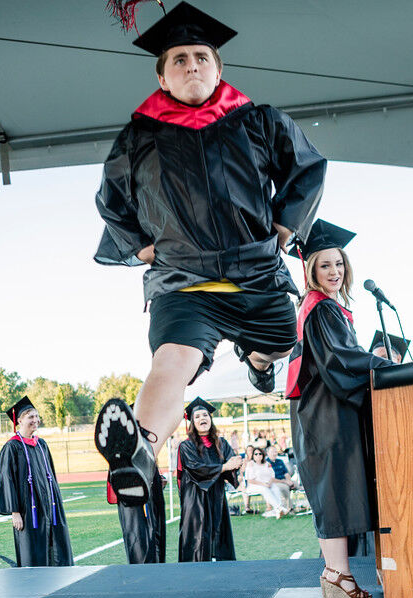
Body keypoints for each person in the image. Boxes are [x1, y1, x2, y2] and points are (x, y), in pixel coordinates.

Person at [93, 1, 326, 562]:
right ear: (162, 73)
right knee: (171, 361)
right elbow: (112, 203)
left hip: (255, 272)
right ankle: (139, 453)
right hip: (184, 280)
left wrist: (284, 226)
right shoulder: (137, 136)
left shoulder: (259, 120)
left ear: (218, 67)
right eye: (179, 59)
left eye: (201, 56)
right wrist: (142, 247)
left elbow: (307, 169)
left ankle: (259, 363)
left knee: (280, 345)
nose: (191, 65)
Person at [286, 221, 392, 598]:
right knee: (331, 493)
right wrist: (380, 366)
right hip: (324, 417)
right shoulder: (320, 308)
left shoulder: (324, 309)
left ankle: (337, 573)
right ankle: (337, 574)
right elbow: (339, 361)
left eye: (339, 264)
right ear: (312, 269)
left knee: (332, 491)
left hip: (323, 415)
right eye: (325, 265)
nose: (334, 272)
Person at [0, 397, 73, 567]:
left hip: (48, 504)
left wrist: (56, 503)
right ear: (19, 420)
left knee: (56, 545)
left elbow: (51, 475)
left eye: (37, 416)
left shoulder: (41, 444)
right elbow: (7, 480)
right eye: (30, 417)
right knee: (32, 547)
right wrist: (14, 512)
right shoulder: (11, 447)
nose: (35, 420)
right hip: (27, 507)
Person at [176, 397, 241, 561]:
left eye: (205, 415)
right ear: (192, 422)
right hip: (195, 498)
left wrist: (237, 464)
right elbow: (196, 469)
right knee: (197, 539)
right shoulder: (186, 446)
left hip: (217, 495)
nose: (202, 418)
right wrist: (225, 467)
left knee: (219, 534)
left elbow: (231, 466)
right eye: (197, 417)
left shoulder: (222, 443)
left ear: (210, 419)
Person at [243, 447, 289, 518]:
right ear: (253, 455)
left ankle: (277, 510)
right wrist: (264, 484)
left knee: (275, 487)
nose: (258, 455)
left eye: (260, 453)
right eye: (256, 454)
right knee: (264, 489)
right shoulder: (251, 464)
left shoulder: (267, 463)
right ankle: (279, 508)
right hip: (254, 485)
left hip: (267, 484)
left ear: (262, 455)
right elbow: (250, 480)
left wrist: (269, 483)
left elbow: (272, 476)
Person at [265, 444, 294, 509]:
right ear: (268, 453)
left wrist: (289, 481)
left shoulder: (280, 461)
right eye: (272, 452)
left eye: (275, 451)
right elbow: (271, 478)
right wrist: (285, 482)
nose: (274, 453)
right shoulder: (266, 463)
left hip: (284, 481)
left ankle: (311, 506)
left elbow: (286, 473)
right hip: (274, 483)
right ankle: (289, 508)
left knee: (302, 485)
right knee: (285, 487)